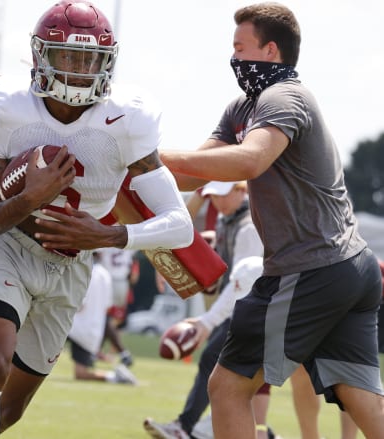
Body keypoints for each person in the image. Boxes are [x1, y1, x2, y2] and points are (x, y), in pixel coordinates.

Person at [0, 1, 194, 438]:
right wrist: (29, 198)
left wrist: (109, 234)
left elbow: (180, 224)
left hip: (73, 265)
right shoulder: (5, 104)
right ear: (41, 56)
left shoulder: (128, 118)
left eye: (90, 59)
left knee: (8, 413)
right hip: (10, 246)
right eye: (68, 56)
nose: (79, 70)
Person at [159, 3, 384, 438]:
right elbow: (193, 172)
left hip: (310, 268)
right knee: (363, 402)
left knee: (226, 387)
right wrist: (125, 163)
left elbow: (252, 159)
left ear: (271, 51)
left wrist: (151, 156)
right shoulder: (243, 107)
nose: (234, 58)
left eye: (240, 48)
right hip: (346, 267)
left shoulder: (284, 97)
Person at [144, 181, 268, 439]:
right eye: (214, 196)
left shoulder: (249, 228)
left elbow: (244, 283)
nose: (218, 202)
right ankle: (260, 434)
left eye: (223, 195)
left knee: (217, 363)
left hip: (254, 311)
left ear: (241, 190)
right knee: (236, 378)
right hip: (246, 310)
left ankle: (185, 427)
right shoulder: (228, 220)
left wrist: (208, 321)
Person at [67, 252, 137, 385]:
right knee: (81, 373)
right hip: (91, 331)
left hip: (73, 327)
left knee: (80, 373)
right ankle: (115, 374)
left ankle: (116, 375)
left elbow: (78, 305)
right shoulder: (104, 274)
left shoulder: (83, 271)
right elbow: (107, 308)